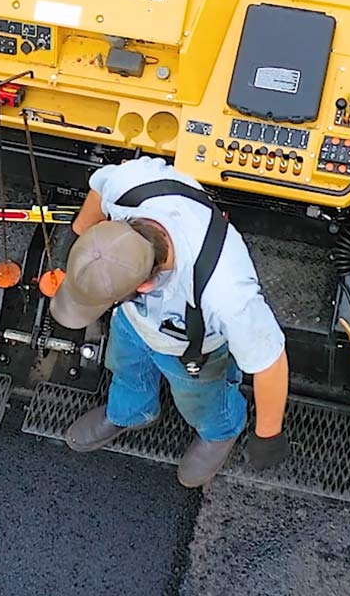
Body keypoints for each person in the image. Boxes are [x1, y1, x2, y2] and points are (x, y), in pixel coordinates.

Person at [49, 156, 291, 487]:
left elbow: (270, 360)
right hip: (134, 324)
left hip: (193, 347)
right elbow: (99, 187)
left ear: (144, 286)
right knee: (125, 367)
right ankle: (131, 412)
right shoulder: (131, 185)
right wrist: (74, 242)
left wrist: (267, 435)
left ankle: (220, 431)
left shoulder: (225, 291)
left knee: (200, 399)